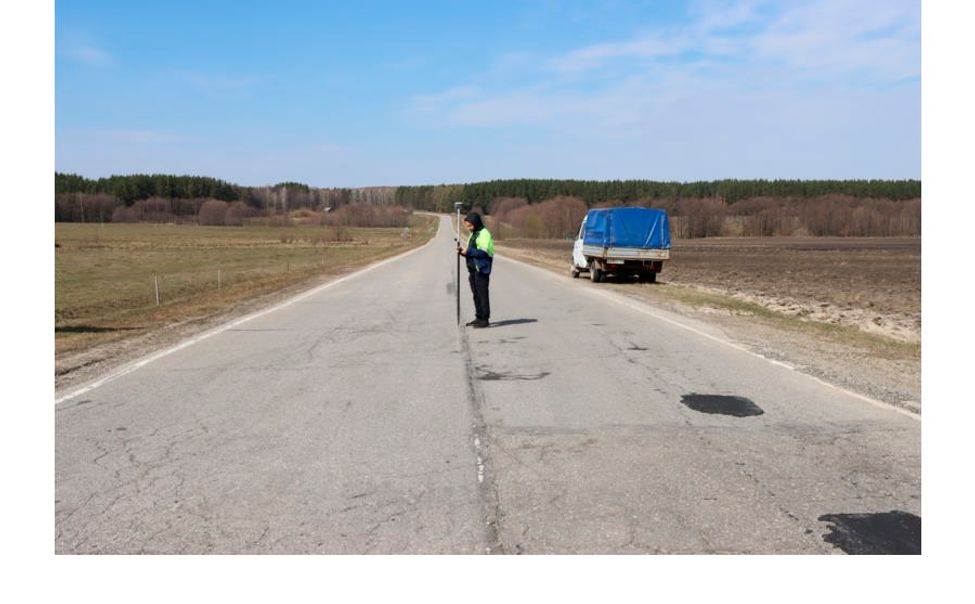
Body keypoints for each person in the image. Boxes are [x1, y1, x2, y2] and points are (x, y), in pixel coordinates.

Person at [457, 211, 494, 328]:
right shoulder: (474, 233)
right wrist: (464, 252)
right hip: (473, 269)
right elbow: (471, 251)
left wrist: (469, 252)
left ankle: (485, 319)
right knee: (476, 295)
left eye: (470, 225)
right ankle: (478, 316)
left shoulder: (484, 234)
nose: (468, 228)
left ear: (476, 223)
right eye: (467, 226)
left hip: (482, 269)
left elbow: (483, 252)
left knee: (482, 295)